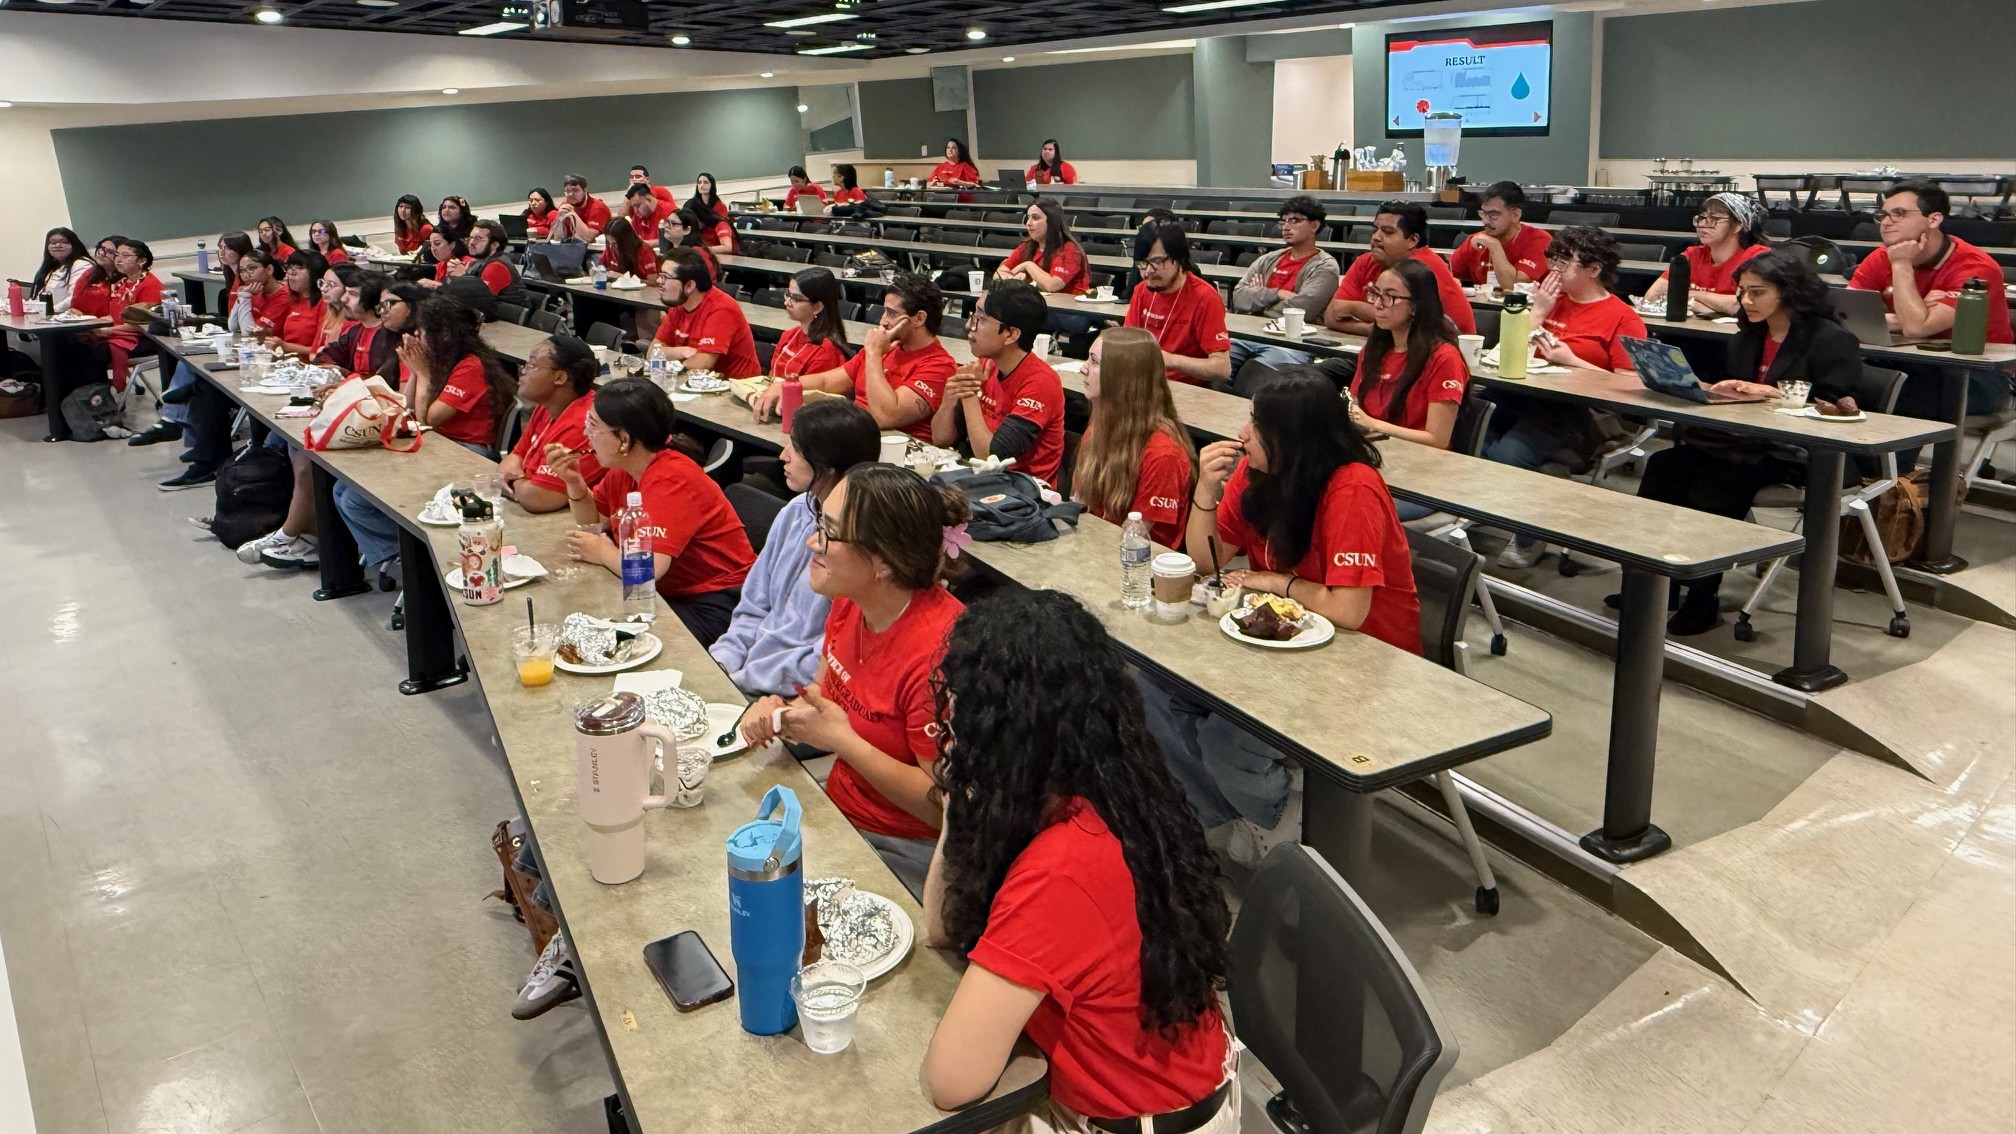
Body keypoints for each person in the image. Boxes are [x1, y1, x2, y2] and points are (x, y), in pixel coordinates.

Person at [919, 589, 1235, 1132]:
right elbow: (943, 929)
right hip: (1167, 1090)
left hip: (1130, 1118)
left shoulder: (1061, 871)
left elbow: (949, 1083)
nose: (951, 732)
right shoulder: (1101, 786)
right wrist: (960, 809)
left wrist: (964, 788)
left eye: (964, 715)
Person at [736, 464, 968, 895]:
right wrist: (783, 712)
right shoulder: (851, 602)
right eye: (818, 523)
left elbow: (943, 809)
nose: (811, 541)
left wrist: (842, 741)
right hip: (839, 806)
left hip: (906, 847)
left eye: (828, 532)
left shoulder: (941, 657)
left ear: (882, 561)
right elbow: (824, 699)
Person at [1629, 250, 1870, 635]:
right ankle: (1654, 581)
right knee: (1664, 467)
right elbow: (1743, 389)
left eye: (1757, 293)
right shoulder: (1748, 335)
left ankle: (1701, 596)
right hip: (1745, 440)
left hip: (1800, 451)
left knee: (1718, 482)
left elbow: (1838, 407)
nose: (1746, 302)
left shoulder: (1831, 340)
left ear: (1789, 293)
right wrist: (1719, 390)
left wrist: (1773, 392)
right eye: (1742, 292)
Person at [1189, 368, 1422, 653]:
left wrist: (1277, 582)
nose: (1243, 434)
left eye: (1258, 424)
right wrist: (1204, 489)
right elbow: (1206, 562)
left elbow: (1348, 612)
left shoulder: (1353, 488)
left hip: (1371, 650)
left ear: (1293, 438)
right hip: (1289, 634)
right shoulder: (1256, 471)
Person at [1485, 226, 1648, 568]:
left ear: (1593, 269)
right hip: (1523, 396)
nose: (1554, 269)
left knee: (1508, 453)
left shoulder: (1623, 318)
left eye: (1565, 261)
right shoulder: (1550, 300)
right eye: (1554, 259)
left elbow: (1629, 385)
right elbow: (1507, 353)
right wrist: (1539, 313)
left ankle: (1531, 533)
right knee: (1468, 431)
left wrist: (1573, 361)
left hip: (1576, 413)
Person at [549, 378, 755, 644]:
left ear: (623, 439)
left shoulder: (671, 478)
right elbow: (594, 524)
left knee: (611, 641)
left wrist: (602, 551)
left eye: (593, 426)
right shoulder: (624, 470)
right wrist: (574, 483)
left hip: (715, 603)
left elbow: (646, 571)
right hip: (665, 594)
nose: (586, 434)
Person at [332, 297, 512, 583]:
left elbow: (430, 418)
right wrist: (416, 371)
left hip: (467, 453)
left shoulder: (470, 367)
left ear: (443, 334)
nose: (416, 337)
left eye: (422, 332)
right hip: (441, 444)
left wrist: (423, 372)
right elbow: (411, 408)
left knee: (356, 499)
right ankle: (401, 550)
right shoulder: (441, 361)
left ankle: (420, 550)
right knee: (343, 490)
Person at [238, 272, 411, 570]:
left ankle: (295, 535)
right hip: (363, 415)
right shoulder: (358, 331)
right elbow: (325, 357)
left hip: (384, 424)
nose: (344, 298)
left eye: (352, 294)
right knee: (291, 447)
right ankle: (305, 535)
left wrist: (347, 381)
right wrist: (343, 378)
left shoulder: (396, 341)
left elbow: (389, 389)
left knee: (311, 458)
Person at [709, 399, 881, 697]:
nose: (782, 456)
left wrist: (743, 679)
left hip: (797, 693)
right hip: (746, 674)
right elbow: (752, 607)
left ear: (826, 465)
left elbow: (827, 658)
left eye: (795, 449)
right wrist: (722, 663)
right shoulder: (796, 510)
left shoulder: (859, 546)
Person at [1848, 178, 2014, 421]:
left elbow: (1917, 327)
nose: (1886, 222)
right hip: (1910, 361)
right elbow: (1843, 314)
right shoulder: (1881, 256)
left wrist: (1902, 263)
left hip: (1977, 375)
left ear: (1934, 219)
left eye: (1899, 214)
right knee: (1841, 378)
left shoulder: (1975, 267)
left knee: (1899, 395)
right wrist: (1903, 317)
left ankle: (1885, 459)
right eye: (1883, 215)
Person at [753, 272, 955, 442]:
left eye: (892, 314)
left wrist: (874, 354)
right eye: (884, 311)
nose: (883, 321)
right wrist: (788, 385)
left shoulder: (939, 366)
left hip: (894, 459)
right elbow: (827, 381)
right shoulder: (888, 346)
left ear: (919, 318)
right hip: (856, 440)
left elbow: (885, 417)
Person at [932, 279, 1066, 483]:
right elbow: (940, 439)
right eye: (973, 316)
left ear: (1011, 334)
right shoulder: (987, 364)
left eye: (981, 319)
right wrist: (949, 402)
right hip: (983, 482)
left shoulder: (1041, 382)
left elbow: (990, 458)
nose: (969, 325)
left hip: (1023, 495)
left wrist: (969, 394)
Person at [1073, 326, 1195, 548]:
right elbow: (1079, 503)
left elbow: (1133, 540)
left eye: (1094, 362)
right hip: (1092, 550)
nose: (1084, 368)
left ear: (1122, 378)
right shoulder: (1097, 429)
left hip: (1137, 569)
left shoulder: (1164, 454)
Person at [41, 237, 162, 444]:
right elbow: (112, 313)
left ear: (141, 261)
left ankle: (99, 409)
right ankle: (72, 410)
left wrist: (108, 331)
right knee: (69, 347)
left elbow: (144, 323)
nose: (118, 260)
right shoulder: (122, 283)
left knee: (92, 353)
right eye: (118, 255)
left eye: (125, 256)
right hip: (116, 331)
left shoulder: (150, 284)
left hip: (140, 337)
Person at [1351, 258, 1469, 452]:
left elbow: (1437, 439)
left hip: (1422, 461)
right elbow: (1356, 406)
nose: (1378, 304)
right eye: (1375, 294)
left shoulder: (1444, 357)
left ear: (1415, 306)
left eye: (1389, 297)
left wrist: (1373, 424)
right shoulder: (1373, 349)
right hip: (1375, 450)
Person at [1226, 196, 1343, 373]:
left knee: (1254, 376)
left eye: (1294, 220)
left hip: (1292, 342)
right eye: (1284, 221)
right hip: (1251, 332)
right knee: (1218, 367)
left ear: (1314, 225)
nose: (1286, 227)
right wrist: (1276, 294)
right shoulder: (1268, 259)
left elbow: (1301, 311)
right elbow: (1239, 297)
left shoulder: (1324, 266)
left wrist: (1257, 300)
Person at [1327, 202, 1475, 337]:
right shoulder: (1366, 261)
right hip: (1376, 350)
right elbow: (1331, 317)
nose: (1376, 237)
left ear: (1413, 240)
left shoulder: (1423, 268)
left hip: (1436, 357)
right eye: (1375, 229)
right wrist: (1372, 330)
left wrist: (1353, 307)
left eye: (1388, 232)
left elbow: (1411, 327)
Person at [500, 335, 606, 514]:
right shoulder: (547, 407)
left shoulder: (585, 425)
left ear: (559, 377)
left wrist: (512, 480)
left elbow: (539, 498)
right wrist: (521, 481)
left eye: (532, 365)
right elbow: (512, 458)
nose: (523, 370)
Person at [1124, 220, 1230, 387]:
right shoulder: (1141, 291)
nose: (1149, 271)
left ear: (1179, 259)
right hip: (1143, 384)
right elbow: (1127, 342)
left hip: (1184, 389)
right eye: (1143, 263)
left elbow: (1222, 368)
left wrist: (1171, 360)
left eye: (1157, 261)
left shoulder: (1204, 297)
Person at [1639, 191, 1770, 315]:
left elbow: (1739, 306)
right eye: (1701, 218)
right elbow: (1652, 296)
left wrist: (1691, 295)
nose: (1702, 224)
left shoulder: (1755, 256)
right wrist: (1706, 307)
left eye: (1713, 219)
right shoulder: (1693, 254)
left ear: (1738, 225)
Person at [652, 248, 760, 378]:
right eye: (660, 276)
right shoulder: (679, 304)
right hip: (697, 383)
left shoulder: (721, 309)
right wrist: (682, 352)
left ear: (690, 286)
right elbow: (653, 352)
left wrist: (668, 361)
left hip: (734, 387)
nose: (659, 281)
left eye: (666, 277)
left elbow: (703, 362)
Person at [1449, 180, 1552, 290]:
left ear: (1515, 215)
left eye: (1493, 214)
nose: (1486, 221)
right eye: (1483, 213)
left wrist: (1495, 247)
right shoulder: (1477, 240)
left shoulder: (1539, 240)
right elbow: (1446, 273)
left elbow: (1514, 288)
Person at [993, 198, 1089, 295]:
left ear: (1052, 221)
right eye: (1028, 217)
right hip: (1036, 304)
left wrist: (1027, 265)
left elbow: (1052, 286)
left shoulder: (1069, 250)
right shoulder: (1028, 245)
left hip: (1068, 307)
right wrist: (1013, 280)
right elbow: (998, 274)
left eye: (1035, 217)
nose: (1028, 223)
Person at [769, 267, 851, 378]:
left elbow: (808, 394)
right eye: (788, 294)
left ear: (817, 307)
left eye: (796, 299)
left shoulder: (825, 353)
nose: (787, 302)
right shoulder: (788, 336)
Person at [262, 250, 329, 359]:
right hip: (288, 361)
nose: (291, 273)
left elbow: (323, 350)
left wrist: (286, 346)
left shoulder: (324, 304)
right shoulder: (294, 299)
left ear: (315, 273)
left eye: (299, 268)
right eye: (289, 267)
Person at [451, 220, 530, 307]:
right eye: (471, 238)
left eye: (478, 239)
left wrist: (463, 276)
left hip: (509, 317)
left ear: (494, 245)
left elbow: (478, 300)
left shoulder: (496, 267)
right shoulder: (477, 262)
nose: (471, 243)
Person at [25, 227, 91, 314]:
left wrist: (49, 311)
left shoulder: (82, 264)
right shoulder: (51, 268)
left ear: (74, 244)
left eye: (63, 242)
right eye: (53, 242)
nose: (57, 245)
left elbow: (74, 297)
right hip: (50, 318)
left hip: (70, 319)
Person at [660, 208, 721, 283]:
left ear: (687, 230)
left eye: (673, 223)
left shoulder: (698, 253)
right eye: (666, 222)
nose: (667, 226)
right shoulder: (671, 251)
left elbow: (705, 283)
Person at [548, 174, 612, 242]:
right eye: (567, 191)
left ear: (585, 191)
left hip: (594, 249)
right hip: (572, 247)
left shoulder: (598, 208)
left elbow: (589, 238)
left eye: (575, 190)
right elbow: (558, 237)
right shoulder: (565, 205)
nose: (570, 194)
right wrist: (559, 219)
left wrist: (573, 215)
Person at [599, 215, 658, 281]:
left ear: (625, 240)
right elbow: (600, 265)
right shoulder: (610, 249)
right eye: (608, 242)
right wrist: (596, 270)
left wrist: (624, 277)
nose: (610, 246)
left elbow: (653, 282)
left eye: (614, 243)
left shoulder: (645, 252)